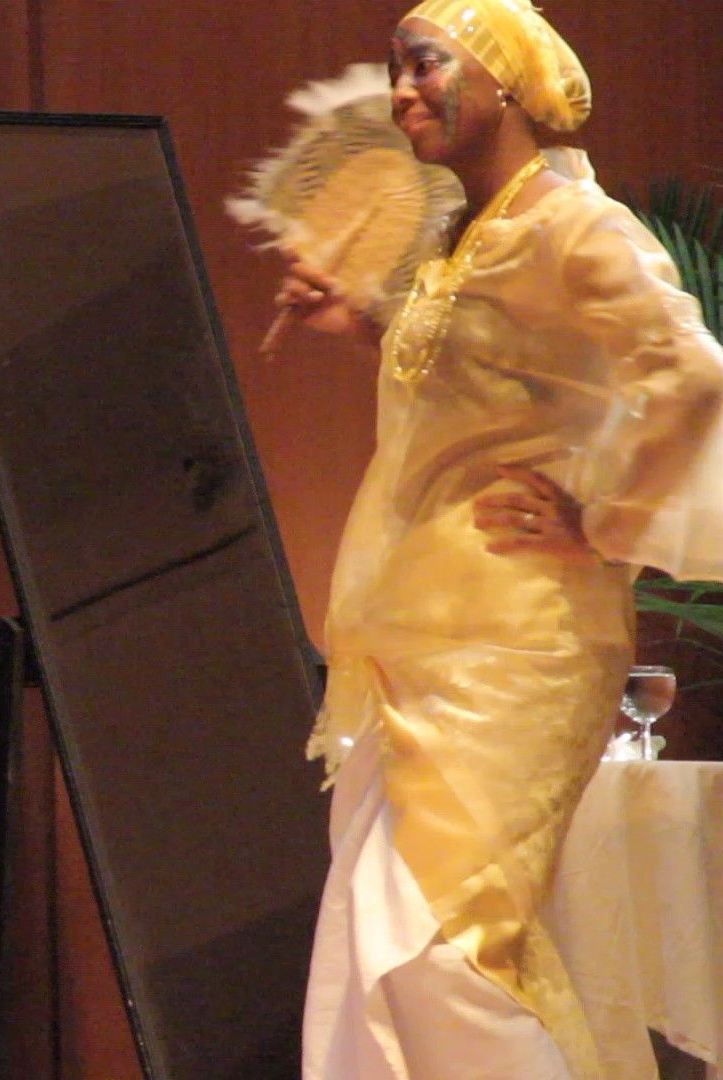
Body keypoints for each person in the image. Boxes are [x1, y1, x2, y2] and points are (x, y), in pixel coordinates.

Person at [274, 2, 723, 1076]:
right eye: (391, 71)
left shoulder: (575, 224)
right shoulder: (470, 232)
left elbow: (694, 377)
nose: (399, 94)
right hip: (420, 641)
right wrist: (370, 323)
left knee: (436, 947)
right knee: (382, 934)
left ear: (512, 82)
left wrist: (603, 523)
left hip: (518, 646)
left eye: (425, 65)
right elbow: (499, 383)